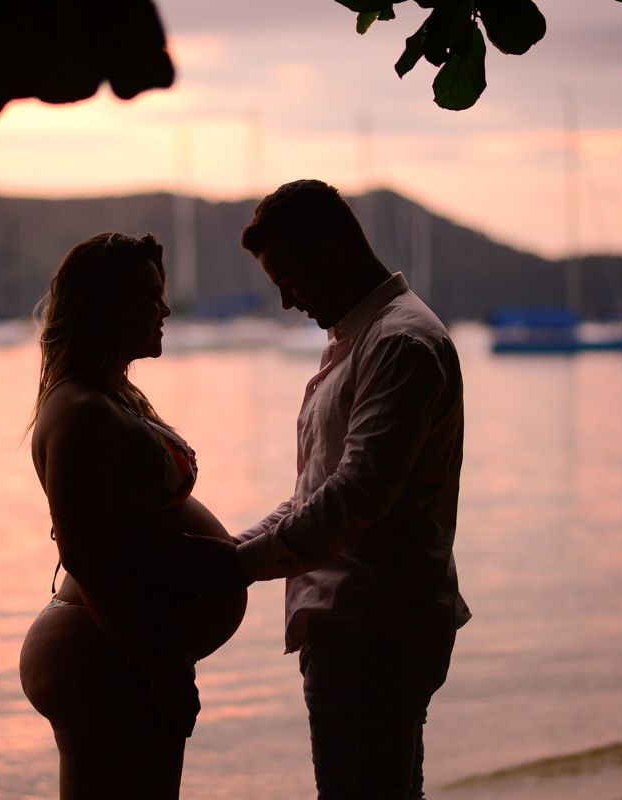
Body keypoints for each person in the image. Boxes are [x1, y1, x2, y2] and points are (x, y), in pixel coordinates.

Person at [185, 179, 470, 800]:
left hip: (374, 623)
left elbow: (355, 496)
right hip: (357, 623)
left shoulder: (399, 344)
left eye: (290, 280)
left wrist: (237, 566)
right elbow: (318, 486)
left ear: (333, 254)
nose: (288, 302)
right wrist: (235, 547)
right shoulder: (361, 340)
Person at [18, 232, 247, 800]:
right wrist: (158, 664)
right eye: (149, 295)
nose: (164, 309)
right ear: (103, 303)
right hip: (110, 654)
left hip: (131, 649)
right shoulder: (81, 410)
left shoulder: (110, 396)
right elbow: (85, 555)